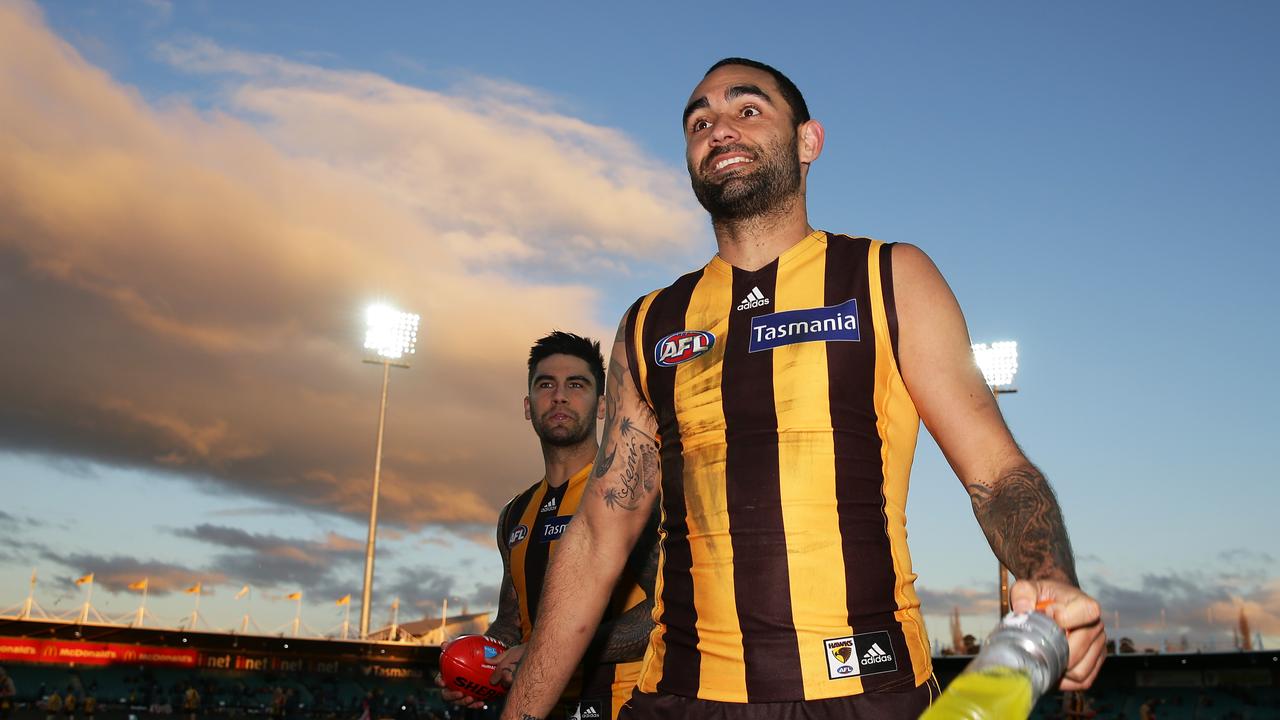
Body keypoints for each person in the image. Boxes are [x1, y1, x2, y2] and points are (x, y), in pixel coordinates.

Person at [500, 58, 1107, 720]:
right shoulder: (649, 324)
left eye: (747, 110)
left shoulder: (887, 276)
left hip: (865, 692)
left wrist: (1050, 580)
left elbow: (995, 471)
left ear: (809, 142)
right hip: (680, 698)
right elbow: (596, 537)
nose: (719, 129)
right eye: (699, 121)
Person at [437, 331, 658, 720]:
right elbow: (511, 624)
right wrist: (475, 667)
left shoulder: (630, 493)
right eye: (546, 385)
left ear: (603, 405)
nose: (559, 396)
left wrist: (546, 651)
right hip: (540, 708)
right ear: (528, 406)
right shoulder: (515, 514)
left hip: (624, 704)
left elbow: (665, 613)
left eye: (577, 384)